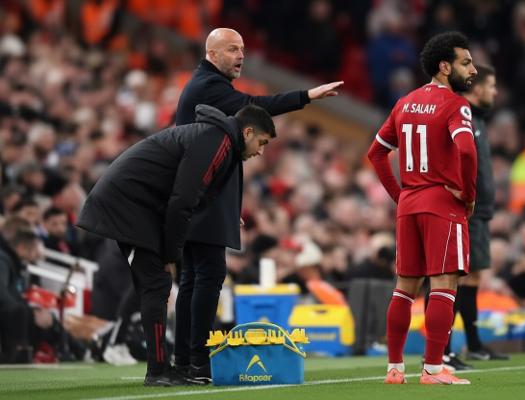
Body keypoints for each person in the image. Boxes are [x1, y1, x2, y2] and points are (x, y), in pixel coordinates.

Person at [173, 27, 343, 383]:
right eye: (232, 49)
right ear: (212, 54)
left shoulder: (208, 85)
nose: (241, 55)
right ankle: (197, 361)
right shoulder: (209, 86)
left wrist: (228, 207)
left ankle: (185, 359)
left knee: (193, 278)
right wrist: (307, 95)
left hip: (198, 197)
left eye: (242, 49)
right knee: (207, 276)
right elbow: (256, 108)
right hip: (200, 198)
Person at [76, 104, 276, 386]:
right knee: (156, 284)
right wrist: (172, 252)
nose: (261, 151)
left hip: (137, 204)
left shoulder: (216, 138)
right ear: (247, 132)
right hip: (128, 204)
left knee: (156, 284)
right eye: (262, 142)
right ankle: (157, 370)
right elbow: (183, 199)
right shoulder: (217, 140)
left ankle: (162, 367)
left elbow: (190, 194)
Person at [367, 31, 477, 385]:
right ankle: (432, 369)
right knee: (444, 285)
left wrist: (399, 196)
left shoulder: (405, 102)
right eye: (466, 62)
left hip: (410, 204)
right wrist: (468, 194)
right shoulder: (456, 105)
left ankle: (394, 369)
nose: (473, 70)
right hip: (443, 203)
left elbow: (376, 153)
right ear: (445, 67)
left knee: (404, 288)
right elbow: (466, 150)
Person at [446, 65, 509, 364]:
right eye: (492, 86)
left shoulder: (478, 119)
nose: (495, 92)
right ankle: (442, 349)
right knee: (451, 278)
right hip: (464, 210)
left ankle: (473, 344)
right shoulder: (460, 115)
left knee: (472, 278)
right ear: (479, 87)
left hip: (480, 212)